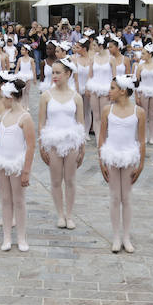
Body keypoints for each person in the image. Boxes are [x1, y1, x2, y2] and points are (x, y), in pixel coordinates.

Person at [0, 79, 35, 252]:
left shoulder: (25, 117)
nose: (2, 100)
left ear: (11, 97)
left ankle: (21, 237)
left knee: (19, 201)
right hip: (2, 162)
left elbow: (31, 145)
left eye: (4, 97)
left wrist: (26, 171)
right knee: (5, 199)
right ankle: (6, 237)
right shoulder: (4, 115)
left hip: (16, 164)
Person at [98, 75, 146, 253]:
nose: (109, 91)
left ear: (123, 91)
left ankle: (126, 236)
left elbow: (141, 140)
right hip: (111, 155)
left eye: (112, 88)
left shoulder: (138, 112)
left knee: (126, 197)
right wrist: (101, 159)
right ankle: (116, 236)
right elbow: (102, 136)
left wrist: (140, 164)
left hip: (128, 156)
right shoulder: (107, 110)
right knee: (114, 197)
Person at [39, 58, 87, 230]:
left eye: (58, 73)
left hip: (71, 141)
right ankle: (60, 213)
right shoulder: (46, 96)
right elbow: (41, 123)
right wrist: (41, 145)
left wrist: (82, 147)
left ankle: (69, 214)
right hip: (52, 142)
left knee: (70, 179)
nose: (55, 76)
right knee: (56, 180)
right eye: (53, 72)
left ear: (68, 74)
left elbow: (81, 123)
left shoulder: (76, 97)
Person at [134, 44, 153, 145]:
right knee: (144, 114)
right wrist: (136, 96)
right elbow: (136, 82)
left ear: (149, 54)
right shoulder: (140, 66)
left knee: (152, 114)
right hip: (143, 91)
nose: (141, 55)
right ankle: (144, 135)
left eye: (143, 53)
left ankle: (151, 136)